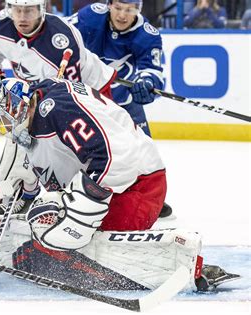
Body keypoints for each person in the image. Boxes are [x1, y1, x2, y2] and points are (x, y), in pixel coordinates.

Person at [0, 77, 240, 292]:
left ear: (19, 104)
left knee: (61, 240)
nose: (6, 127)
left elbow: (113, 155)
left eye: (6, 117)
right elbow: (49, 159)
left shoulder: (56, 108)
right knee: (47, 222)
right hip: (118, 182)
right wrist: (26, 195)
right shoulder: (41, 107)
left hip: (137, 185)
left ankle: (188, 267)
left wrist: (79, 216)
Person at [0, 0, 117, 215]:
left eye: (29, 10)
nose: (22, 17)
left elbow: (72, 96)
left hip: (89, 89)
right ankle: (23, 190)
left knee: (74, 143)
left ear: (41, 10)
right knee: (21, 132)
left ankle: (89, 194)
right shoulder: (0, 26)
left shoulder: (61, 40)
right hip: (40, 89)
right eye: (17, 10)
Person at [69, 0, 172, 217]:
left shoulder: (147, 35)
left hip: (124, 103)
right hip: (86, 100)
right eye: (118, 8)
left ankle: (149, 198)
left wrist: (146, 82)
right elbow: (62, 37)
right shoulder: (90, 17)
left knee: (145, 152)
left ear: (139, 9)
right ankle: (76, 194)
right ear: (109, 5)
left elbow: (152, 69)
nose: (123, 15)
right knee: (78, 148)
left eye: (130, 10)